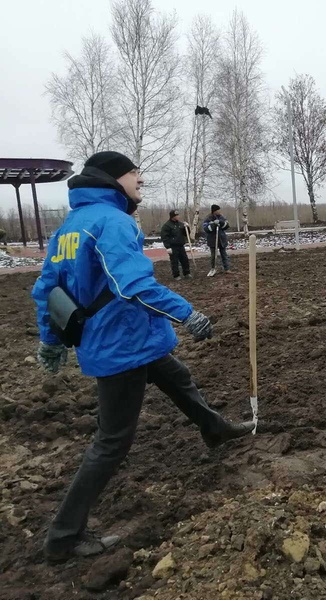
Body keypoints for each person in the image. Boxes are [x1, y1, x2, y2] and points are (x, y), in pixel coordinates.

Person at [31, 151, 254, 563]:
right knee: (112, 441)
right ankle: (64, 536)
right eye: (136, 176)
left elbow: (47, 288)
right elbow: (132, 285)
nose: (141, 183)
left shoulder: (70, 226)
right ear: (115, 179)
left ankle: (214, 428)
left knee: (178, 378)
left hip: (127, 338)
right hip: (123, 343)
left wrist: (51, 339)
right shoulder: (113, 222)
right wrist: (188, 313)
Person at [160, 209, 192, 280]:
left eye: (178, 215)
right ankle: (176, 275)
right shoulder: (167, 226)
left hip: (181, 245)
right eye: (176, 215)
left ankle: (187, 273)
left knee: (184, 260)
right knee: (174, 261)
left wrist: (187, 227)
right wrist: (167, 247)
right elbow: (164, 237)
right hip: (173, 246)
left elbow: (186, 234)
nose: (178, 216)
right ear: (172, 216)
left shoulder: (180, 224)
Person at [202, 204, 230, 276]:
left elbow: (227, 225)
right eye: (218, 210)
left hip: (221, 239)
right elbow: (206, 229)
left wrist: (221, 222)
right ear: (214, 211)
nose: (219, 211)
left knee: (224, 254)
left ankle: (227, 268)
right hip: (212, 240)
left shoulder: (222, 217)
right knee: (213, 256)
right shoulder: (208, 218)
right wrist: (213, 224)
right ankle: (213, 268)